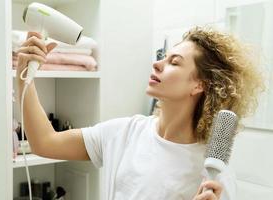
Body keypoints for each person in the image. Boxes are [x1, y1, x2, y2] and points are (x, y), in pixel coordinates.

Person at [16, 26, 264, 200]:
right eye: (162, 58)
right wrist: (24, 75)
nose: (157, 64)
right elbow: (44, 142)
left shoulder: (212, 173)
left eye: (174, 62)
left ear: (200, 85)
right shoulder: (123, 133)